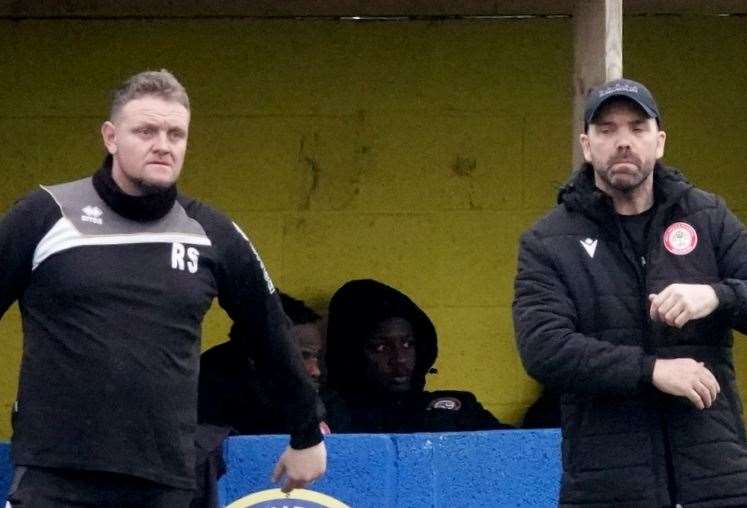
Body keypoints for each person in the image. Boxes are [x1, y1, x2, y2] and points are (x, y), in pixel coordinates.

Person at [0, 70, 325, 506]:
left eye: (176, 134)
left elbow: (269, 330)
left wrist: (306, 431)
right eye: (146, 131)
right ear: (111, 137)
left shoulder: (211, 232)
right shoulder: (43, 215)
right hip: (56, 476)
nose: (163, 144)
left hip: (164, 479)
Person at [512, 78, 747, 507]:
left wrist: (717, 296)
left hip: (722, 483)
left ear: (659, 142)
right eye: (607, 130)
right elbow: (544, 349)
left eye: (637, 128)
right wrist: (651, 371)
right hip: (610, 491)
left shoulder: (708, 217)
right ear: (587, 146)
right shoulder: (548, 240)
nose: (623, 142)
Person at [325, 278, 510, 433]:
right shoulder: (331, 415)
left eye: (408, 344)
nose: (400, 358)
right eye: (380, 347)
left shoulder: (454, 409)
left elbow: (523, 452)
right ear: (350, 354)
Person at [198, 292, 350, 435]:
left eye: (316, 356)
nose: (315, 371)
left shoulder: (329, 405)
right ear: (256, 357)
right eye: (302, 356)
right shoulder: (207, 396)